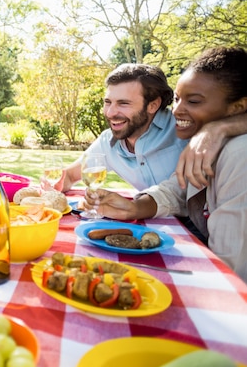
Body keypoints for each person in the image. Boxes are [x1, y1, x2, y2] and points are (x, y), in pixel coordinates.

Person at [85, 46, 247, 282]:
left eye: (193, 101)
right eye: (179, 99)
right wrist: (134, 207)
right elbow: (177, 188)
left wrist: (219, 127)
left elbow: (229, 271)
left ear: (238, 108)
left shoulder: (237, 153)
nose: (177, 110)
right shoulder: (205, 144)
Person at [56, 63, 247, 193]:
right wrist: (49, 186)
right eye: (108, 102)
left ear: (153, 105)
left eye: (123, 103)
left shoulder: (184, 124)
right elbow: (70, 176)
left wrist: (217, 128)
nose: (110, 112)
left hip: (204, 234)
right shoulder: (108, 142)